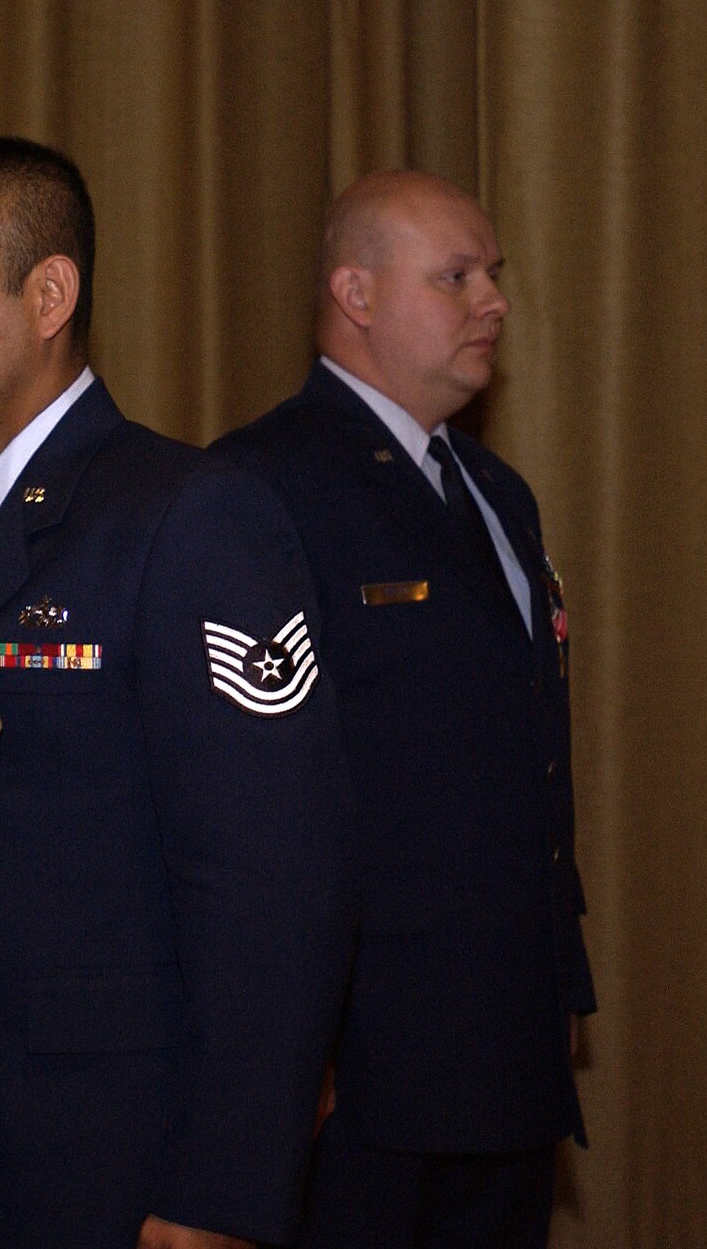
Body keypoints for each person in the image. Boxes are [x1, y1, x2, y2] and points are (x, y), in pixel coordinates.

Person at [0, 136, 349, 1249]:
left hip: (110, 1166)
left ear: (48, 294)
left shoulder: (189, 513)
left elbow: (271, 886)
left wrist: (222, 1191)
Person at [212, 170, 596, 1248]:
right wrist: (288, 1046)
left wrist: (554, 979)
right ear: (356, 293)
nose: (493, 301)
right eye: (456, 275)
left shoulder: (490, 489)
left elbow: (523, 764)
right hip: (363, 1067)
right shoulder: (258, 485)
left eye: (493, 275)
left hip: (501, 1041)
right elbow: (252, 797)